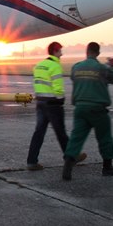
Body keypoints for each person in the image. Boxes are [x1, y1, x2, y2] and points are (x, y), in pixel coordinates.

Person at [62, 42, 113, 181]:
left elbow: (74, 78)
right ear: (98, 53)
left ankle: (68, 163)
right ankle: (107, 167)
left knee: (76, 138)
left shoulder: (76, 67)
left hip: (80, 108)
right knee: (105, 138)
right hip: (97, 109)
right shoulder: (101, 68)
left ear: (86, 52)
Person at [26, 42, 85, 170]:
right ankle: (72, 157)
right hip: (53, 103)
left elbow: (37, 83)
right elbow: (58, 87)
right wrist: (61, 100)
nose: (62, 54)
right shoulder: (55, 66)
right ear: (55, 51)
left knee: (39, 133)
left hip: (40, 102)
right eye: (60, 51)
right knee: (61, 133)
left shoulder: (39, 65)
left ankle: (31, 161)